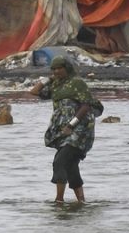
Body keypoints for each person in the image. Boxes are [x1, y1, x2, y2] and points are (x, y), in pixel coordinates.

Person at [29, 55, 96, 204]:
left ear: (67, 68)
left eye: (60, 68)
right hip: (62, 131)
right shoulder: (56, 85)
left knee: (60, 161)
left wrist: (71, 125)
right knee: (70, 164)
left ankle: (59, 200)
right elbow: (33, 92)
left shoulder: (77, 83)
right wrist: (48, 79)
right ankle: (82, 202)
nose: (57, 71)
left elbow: (86, 105)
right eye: (54, 69)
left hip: (79, 130)